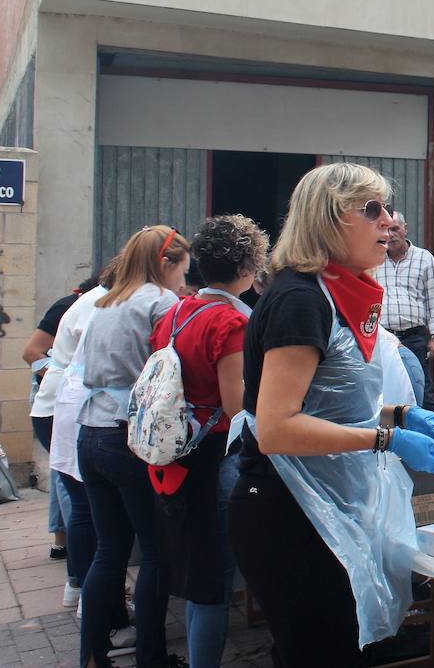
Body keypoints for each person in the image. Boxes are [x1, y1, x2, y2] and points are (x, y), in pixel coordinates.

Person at [229, 163, 434, 667]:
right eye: (372, 210)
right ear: (328, 220)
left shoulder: (332, 294)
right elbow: (276, 427)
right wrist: (385, 441)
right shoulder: (299, 300)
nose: (388, 222)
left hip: (323, 503)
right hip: (288, 513)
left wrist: (398, 417)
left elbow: (331, 404)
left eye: (388, 209)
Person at [146, 214, 265, 668]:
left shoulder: (177, 311)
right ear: (250, 268)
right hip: (215, 457)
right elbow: (237, 409)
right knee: (213, 579)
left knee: (198, 574)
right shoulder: (230, 323)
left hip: (177, 453)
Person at [76, 225, 189, 668]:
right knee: (156, 553)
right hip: (130, 436)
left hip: (90, 432)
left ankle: (93, 654)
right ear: (165, 264)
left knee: (110, 550)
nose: (185, 279)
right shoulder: (161, 303)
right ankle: (151, 656)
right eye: (183, 268)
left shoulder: (105, 302)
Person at [26, 280, 95, 562]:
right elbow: (31, 352)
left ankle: (62, 542)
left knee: (63, 478)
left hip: (63, 403)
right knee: (71, 487)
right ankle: (69, 552)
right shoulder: (68, 306)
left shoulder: (82, 305)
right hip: (56, 405)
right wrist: (61, 377)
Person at [374, 211, 434, 413]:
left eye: (395, 229)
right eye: (387, 230)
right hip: (383, 337)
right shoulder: (375, 259)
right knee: (385, 391)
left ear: (405, 229)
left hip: (413, 336)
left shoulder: (424, 258)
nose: (391, 234)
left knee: (422, 390)